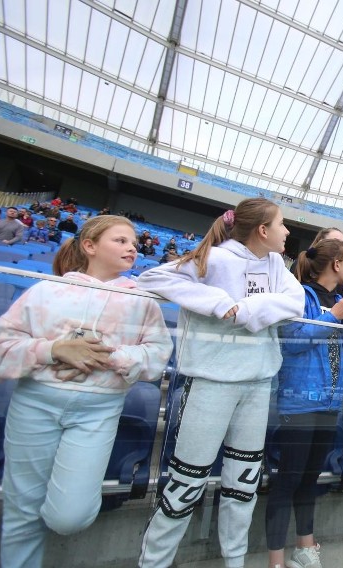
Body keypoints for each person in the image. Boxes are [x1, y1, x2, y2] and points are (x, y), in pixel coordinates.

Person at [0, 215, 172, 568]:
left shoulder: (143, 302)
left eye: (134, 242)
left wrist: (115, 355)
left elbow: (158, 357)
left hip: (98, 412)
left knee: (70, 516)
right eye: (121, 240)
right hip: (33, 405)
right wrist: (53, 350)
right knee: (21, 512)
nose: (132, 247)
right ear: (89, 246)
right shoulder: (46, 290)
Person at [136, 198, 304, 568]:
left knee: (243, 485)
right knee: (186, 484)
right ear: (263, 230)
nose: (287, 231)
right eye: (282, 224)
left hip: (258, 385)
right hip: (211, 384)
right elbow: (151, 277)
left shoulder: (277, 264)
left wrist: (244, 311)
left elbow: (295, 303)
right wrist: (216, 301)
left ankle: (235, 561)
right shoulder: (216, 257)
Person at [266, 238, 343, 568]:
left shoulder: (339, 299)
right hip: (300, 401)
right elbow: (291, 343)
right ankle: (275, 560)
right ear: (336, 265)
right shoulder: (301, 295)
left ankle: (304, 549)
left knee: (310, 480)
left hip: (330, 401)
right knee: (288, 481)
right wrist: (334, 316)